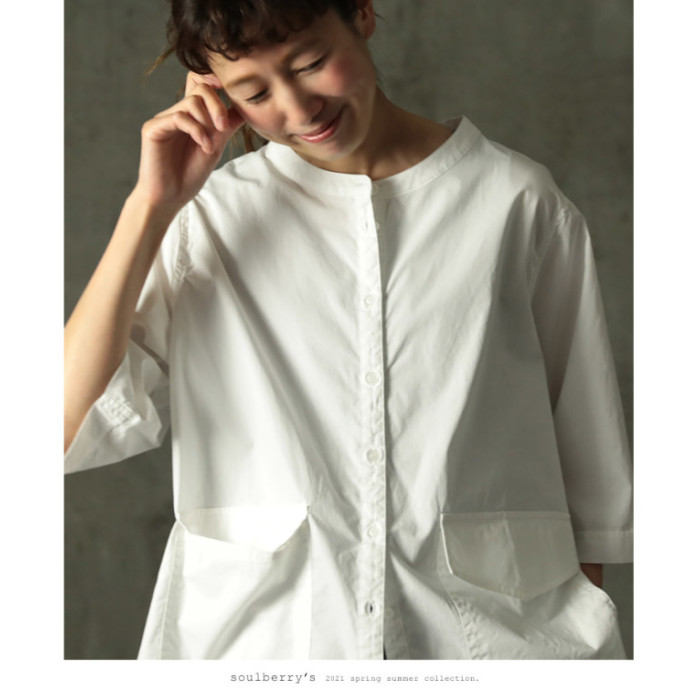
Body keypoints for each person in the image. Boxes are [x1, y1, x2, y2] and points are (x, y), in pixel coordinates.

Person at [64, 0, 633, 660]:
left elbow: (589, 476)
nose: (298, 108)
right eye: (255, 92)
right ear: (218, 92)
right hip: (257, 651)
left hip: (485, 648)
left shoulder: (517, 202)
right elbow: (65, 429)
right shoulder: (209, 220)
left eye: (310, 62)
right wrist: (150, 206)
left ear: (362, 14)